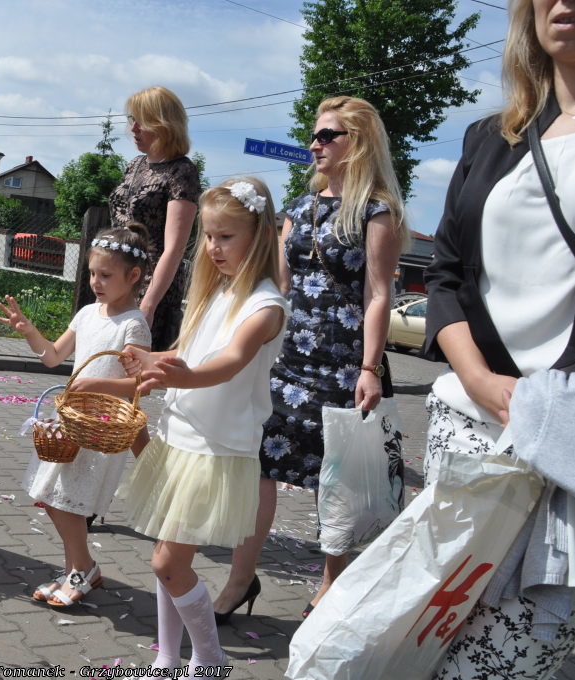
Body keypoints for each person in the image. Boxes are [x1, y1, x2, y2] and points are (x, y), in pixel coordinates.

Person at [422, 1, 575, 675]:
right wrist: (482, 382)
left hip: (566, 448)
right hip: (467, 430)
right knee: (426, 641)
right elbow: (445, 275)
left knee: (505, 660)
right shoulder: (490, 137)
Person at [211, 96, 408, 624]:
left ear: (357, 143)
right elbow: (280, 283)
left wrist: (370, 368)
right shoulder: (300, 208)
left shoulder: (377, 210)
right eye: (314, 135)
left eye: (327, 135)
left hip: (345, 365)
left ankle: (332, 580)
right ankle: (240, 578)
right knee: (259, 467)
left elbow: (378, 294)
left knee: (336, 478)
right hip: (289, 359)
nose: (314, 144)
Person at [117, 178, 287, 669]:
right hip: (180, 437)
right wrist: (152, 359)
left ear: (260, 236)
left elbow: (230, 361)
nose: (213, 247)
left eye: (226, 236)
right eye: (209, 236)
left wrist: (182, 375)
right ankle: (168, 660)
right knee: (169, 561)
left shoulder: (266, 306)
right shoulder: (219, 292)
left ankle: (210, 660)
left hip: (214, 449)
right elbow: (192, 351)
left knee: (169, 563)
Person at [0, 224, 152, 606]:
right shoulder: (86, 314)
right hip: (71, 423)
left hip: (100, 429)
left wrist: (96, 385)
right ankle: (76, 571)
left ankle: (82, 570)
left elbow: (140, 385)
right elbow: (53, 356)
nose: (96, 282)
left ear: (133, 275)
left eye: (106, 275)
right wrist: (29, 331)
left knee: (66, 501)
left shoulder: (134, 324)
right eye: (92, 273)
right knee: (52, 499)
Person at [108, 85, 200, 351]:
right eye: (132, 120)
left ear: (164, 124)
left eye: (142, 121)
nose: (133, 129)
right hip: (116, 279)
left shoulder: (182, 171)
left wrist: (148, 305)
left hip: (149, 287)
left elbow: (174, 249)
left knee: (134, 368)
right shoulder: (134, 165)